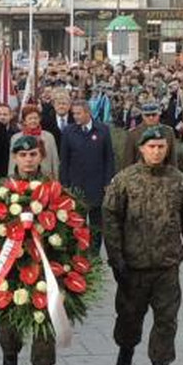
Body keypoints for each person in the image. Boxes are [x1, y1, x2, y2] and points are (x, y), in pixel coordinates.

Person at [103, 127, 183, 365]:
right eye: (152, 147)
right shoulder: (124, 180)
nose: (157, 151)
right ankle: (126, 349)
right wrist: (116, 258)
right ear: (141, 149)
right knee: (129, 318)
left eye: (161, 147)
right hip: (133, 267)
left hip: (167, 266)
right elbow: (110, 219)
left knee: (166, 322)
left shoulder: (180, 182)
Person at [0, 134, 59, 365]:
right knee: (10, 325)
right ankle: (10, 357)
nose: (28, 160)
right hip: (11, 270)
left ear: (40, 156)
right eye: (22, 155)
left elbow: (68, 224)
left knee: (46, 325)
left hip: (45, 268)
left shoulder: (54, 189)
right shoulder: (1, 189)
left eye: (33, 154)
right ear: (14, 157)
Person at [60, 100, 116, 252]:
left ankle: (95, 253)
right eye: (74, 114)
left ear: (88, 113)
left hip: (97, 185)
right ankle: (79, 253)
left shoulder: (102, 130)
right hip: (76, 186)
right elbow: (64, 160)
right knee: (77, 222)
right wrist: (64, 184)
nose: (75, 117)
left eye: (78, 113)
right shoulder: (69, 131)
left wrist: (108, 181)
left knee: (97, 224)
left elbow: (109, 158)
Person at [9, 104, 60, 177]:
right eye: (30, 118)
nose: (33, 121)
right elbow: (12, 161)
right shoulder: (16, 138)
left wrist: (56, 178)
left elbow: (55, 160)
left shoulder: (49, 137)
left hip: (45, 177)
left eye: (35, 118)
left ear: (39, 119)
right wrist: (11, 179)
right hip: (22, 179)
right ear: (24, 121)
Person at [121, 102, 177, 167]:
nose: (151, 118)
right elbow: (128, 160)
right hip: (140, 173)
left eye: (154, 115)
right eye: (147, 115)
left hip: (163, 173)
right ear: (142, 116)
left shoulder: (168, 132)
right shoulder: (133, 134)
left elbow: (172, 158)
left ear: (159, 114)